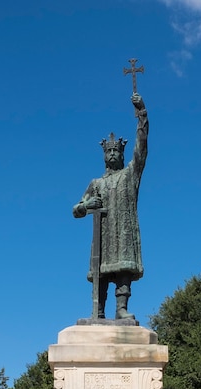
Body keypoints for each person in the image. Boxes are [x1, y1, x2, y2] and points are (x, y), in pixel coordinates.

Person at [72, 93, 147, 320]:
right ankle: (98, 311)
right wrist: (86, 205)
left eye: (116, 151)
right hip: (103, 237)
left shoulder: (130, 174)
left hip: (122, 234)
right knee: (100, 271)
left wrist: (142, 113)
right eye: (109, 151)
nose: (113, 154)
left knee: (123, 268)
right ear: (104, 156)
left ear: (122, 154)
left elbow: (142, 148)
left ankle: (121, 309)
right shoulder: (96, 183)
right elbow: (76, 209)